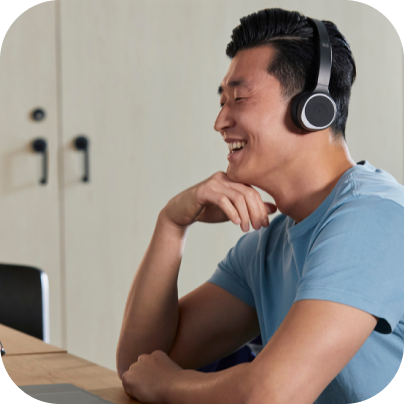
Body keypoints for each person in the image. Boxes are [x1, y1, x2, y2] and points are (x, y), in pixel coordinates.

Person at [116, 8, 404, 404]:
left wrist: (166, 385)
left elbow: (270, 394)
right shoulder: (269, 243)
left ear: (313, 109)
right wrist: (171, 223)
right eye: (221, 101)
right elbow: (138, 365)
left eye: (239, 98)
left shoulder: (372, 216)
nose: (220, 121)